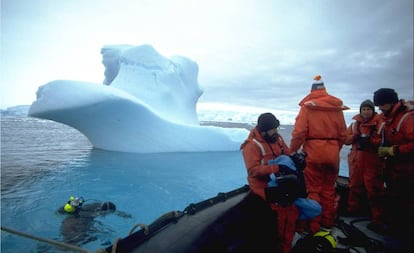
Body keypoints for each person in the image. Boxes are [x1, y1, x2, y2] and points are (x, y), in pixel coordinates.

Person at [240, 112, 321, 253]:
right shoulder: (252, 146)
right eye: (273, 130)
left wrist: (297, 159)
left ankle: (289, 241)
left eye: (276, 129)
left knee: (302, 207)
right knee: (285, 215)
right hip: (264, 187)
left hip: (283, 182)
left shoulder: (277, 139)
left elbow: (287, 155)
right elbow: (253, 171)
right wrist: (277, 168)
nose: (276, 132)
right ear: (264, 130)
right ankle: (281, 246)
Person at [290, 75, 348, 234]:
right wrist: (335, 148)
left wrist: (292, 151)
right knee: (329, 189)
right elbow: (343, 134)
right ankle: (327, 223)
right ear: (325, 90)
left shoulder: (307, 107)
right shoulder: (337, 108)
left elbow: (299, 133)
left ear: (312, 90)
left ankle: (313, 227)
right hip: (332, 153)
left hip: (314, 152)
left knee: (313, 190)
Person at [371, 88, 414, 241]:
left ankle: (403, 237)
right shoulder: (387, 119)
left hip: (408, 171)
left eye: (382, 105)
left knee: (406, 203)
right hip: (393, 170)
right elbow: (380, 138)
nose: (380, 109)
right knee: (394, 200)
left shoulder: (407, 119)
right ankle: (393, 230)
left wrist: (394, 150)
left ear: (390, 102)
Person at [344, 99, 385, 227]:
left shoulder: (381, 124)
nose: (366, 112)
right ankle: (352, 210)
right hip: (356, 161)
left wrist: (370, 140)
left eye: (368, 109)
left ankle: (377, 219)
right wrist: (355, 136)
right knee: (354, 187)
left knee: (374, 191)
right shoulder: (354, 125)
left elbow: (384, 141)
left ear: (373, 110)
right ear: (360, 111)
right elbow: (345, 140)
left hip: (372, 162)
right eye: (364, 109)